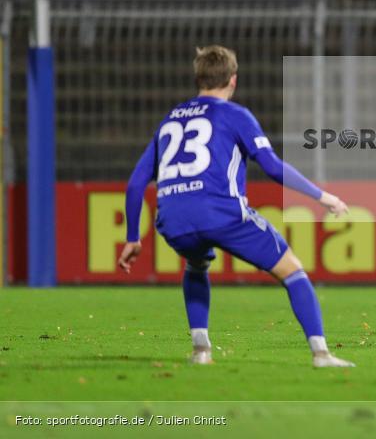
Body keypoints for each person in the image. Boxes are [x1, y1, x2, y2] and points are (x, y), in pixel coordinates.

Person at [117, 45, 354, 368]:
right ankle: (321, 354)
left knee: (196, 264)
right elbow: (271, 166)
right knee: (293, 270)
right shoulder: (235, 115)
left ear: (198, 78)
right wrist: (321, 196)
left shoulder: (171, 119)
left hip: (173, 221)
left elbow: (135, 183)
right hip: (220, 213)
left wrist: (132, 237)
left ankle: (201, 351)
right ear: (233, 80)